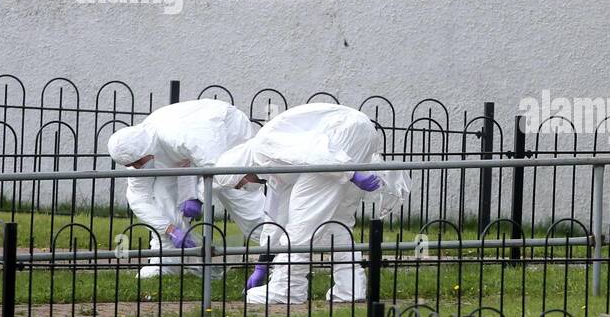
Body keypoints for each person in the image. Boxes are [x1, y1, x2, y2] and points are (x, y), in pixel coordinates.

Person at [212, 102, 408, 305]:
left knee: (302, 220)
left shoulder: (263, 148)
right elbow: (276, 219)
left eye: (240, 184)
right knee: (336, 221)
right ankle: (350, 288)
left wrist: (351, 173)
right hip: (356, 133)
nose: (245, 187)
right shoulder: (272, 171)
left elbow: (311, 152)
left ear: (240, 169)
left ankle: (287, 288)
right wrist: (262, 264)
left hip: (341, 135)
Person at [107, 99, 271, 279]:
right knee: (162, 197)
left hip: (225, 131)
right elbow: (139, 198)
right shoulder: (137, 148)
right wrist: (170, 229)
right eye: (132, 165)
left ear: (146, 150)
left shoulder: (180, 136)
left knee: (239, 196)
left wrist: (197, 196)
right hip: (187, 153)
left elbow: (217, 169)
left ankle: (284, 255)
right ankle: (168, 262)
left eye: (138, 163)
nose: (137, 168)